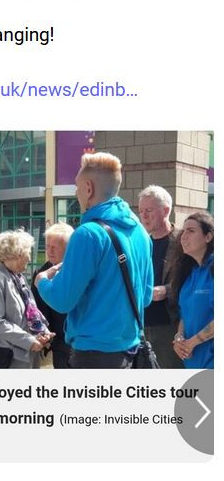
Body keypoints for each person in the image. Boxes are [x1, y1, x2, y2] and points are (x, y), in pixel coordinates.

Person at [36, 152, 153, 369]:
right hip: (132, 352)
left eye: (77, 187)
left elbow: (62, 301)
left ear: (88, 188)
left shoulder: (88, 234)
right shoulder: (141, 233)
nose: (76, 192)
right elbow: (145, 298)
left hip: (94, 355)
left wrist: (41, 280)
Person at [0, 229, 54, 368]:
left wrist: (44, 331)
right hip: (11, 357)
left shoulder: (18, 277)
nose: (29, 259)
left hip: (30, 353)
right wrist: (28, 341)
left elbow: (32, 310)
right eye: (27, 254)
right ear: (17, 254)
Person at [138, 185, 182, 368]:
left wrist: (167, 290)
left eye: (148, 210)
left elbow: (195, 280)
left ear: (166, 210)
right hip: (140, 325)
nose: (144, 216)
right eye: (141, 211)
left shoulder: (182, 241)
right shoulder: (140, 242)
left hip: (169, 326)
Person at [172, 212, 214, 369]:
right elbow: (184, 315)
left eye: (191, 231)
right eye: (183, 231)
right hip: (192, 364)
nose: (183, 236)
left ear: (208, 237)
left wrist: (192, 343)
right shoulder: (189, 273)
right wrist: (179, 338)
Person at [31, 223, 74, 368]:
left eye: (54, 247)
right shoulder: (40, 273)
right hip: (58, 342)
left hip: (79, 340)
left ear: (68, 248)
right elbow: (37, 308)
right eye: (47, 246)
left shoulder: (78, 271)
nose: (49, 251)